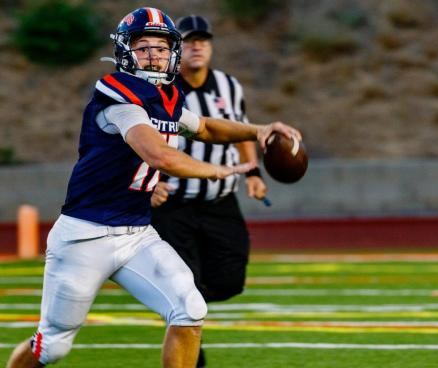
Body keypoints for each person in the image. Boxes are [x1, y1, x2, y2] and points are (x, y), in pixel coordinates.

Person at [6, 7, 301, 368]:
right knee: (53, 347)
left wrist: (258, 130)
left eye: (161, 47)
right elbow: (159, 155)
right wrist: (215, 171)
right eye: (143, 46)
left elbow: (206, 127)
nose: (153, 55)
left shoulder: (167, 97)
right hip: (85, 235)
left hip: (136, 234)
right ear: (124, 52)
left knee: (190, 309)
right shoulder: (117, 98)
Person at [150, 15, 267, 368]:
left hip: (220, 201)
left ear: (211, 46)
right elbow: (140, 140)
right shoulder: (159, 89)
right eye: (189, 40)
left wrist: (253, 172)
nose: (197, 46)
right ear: (175, 49)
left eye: (203, 40)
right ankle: (187, 336)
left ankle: (184, 306)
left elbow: (241, 130)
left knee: (231, 279)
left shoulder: (229, 85)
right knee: (183, 291)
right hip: (174, 204)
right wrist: (150, 182)